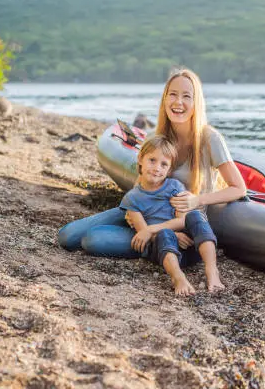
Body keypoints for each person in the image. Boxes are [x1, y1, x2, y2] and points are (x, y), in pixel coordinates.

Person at [57, 68, 247, 285]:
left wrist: (197, 200)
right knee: (67, 236)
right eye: (173, 94)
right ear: (165, 98)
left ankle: (157, 244)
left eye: (187, 96)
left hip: (178, 223)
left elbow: (239, 188)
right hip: (143, 214)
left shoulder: (210, 139)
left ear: (197, 103)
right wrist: (136, 217)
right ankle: (150, 239)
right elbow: (141, 185)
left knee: (92, 240)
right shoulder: (156, 137)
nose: (178, 102)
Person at [124, 136, 222, 295]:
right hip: (162, 252)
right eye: (152, 160)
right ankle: (178, 278)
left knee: (195, 216)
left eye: (164, 164)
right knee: (164, 233)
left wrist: (154, 229)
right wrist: (173, 236)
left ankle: (212, 270)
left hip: (189, 249)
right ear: (140, 159)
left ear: (169, 170)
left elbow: (183, 220)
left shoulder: (174, 186)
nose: (157, 168)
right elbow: (144, 234)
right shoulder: (132, 198)